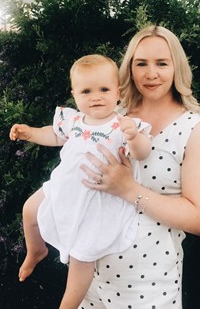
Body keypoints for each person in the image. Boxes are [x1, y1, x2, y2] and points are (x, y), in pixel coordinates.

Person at [9, 54, 152, 309]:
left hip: (97, 200)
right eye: (86, 91)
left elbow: (142, 153)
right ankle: (36, 251)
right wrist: (30, 132)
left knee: (82, 256)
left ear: (117, 92)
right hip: (63, 187)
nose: (95, 96)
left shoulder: (122, 125)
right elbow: (54, 135)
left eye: (104, 89)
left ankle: (68, 305)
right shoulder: (73, 120)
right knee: (30, 209)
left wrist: (134, 137)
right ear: (74, 94)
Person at [79, 26, 200, 309]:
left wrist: (128, 189)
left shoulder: (193, 128)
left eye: (161, 63)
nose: (150, 73)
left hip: (149, 285)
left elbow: (197, 218)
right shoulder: (112, 115)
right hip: (90, 277)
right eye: (141, 63)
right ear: (129, 68)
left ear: (177, 67)